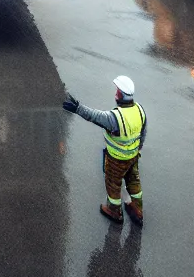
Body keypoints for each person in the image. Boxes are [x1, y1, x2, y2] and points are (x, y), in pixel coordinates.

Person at [62, 75, 146, 225]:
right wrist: (137, 148)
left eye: (117, 91)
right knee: (134, 182)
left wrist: (77, 108)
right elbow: (143, 133)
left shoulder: (116, 117)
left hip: (116, 160)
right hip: (133, 157)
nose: (115, 93)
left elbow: (94, 116)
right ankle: (138, 210)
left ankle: (115, 211)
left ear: (120, 94)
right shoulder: (139, 110)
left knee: (113, 184)